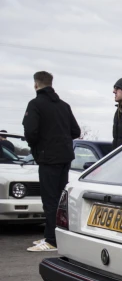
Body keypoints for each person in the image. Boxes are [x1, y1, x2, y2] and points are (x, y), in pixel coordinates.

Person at [22, 71, 81, 252]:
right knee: (60, 199)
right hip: (65, 157)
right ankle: (56, 235)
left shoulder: (35, 104)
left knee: (50, 199)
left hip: (48, 158)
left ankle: (51, 240)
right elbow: (76, 131)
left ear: (35, 84)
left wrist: (38, 150)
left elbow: (30, 132)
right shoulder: (64, 106)